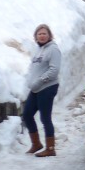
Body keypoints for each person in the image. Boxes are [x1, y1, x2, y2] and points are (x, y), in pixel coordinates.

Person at [21, 23, 61, 158]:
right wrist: (30, 81)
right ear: (36, 37)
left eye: (44, 33)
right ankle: (36, 144)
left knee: (45, 118)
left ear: (49, 35)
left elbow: (54, 70)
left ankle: (50, 148)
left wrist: (39, 81)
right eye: (39, 34)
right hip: (36, 89)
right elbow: (33, 68)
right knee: (27, 114)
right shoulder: (39, 50)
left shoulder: (53, 49)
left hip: (47, 87)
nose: (42, 36)